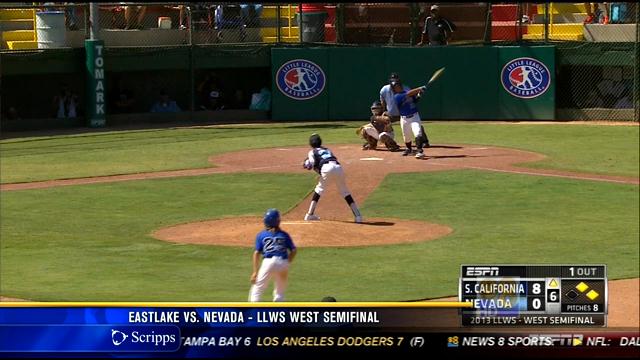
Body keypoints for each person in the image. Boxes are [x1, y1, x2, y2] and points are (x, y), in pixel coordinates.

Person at [303, 134, 363, 223]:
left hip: (326, 168)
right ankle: (358, 216)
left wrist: (306, 164)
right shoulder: (327, 149)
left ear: (311, 144)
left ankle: (309, 214)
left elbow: (311, 163)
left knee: (319, 190)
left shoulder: (312, 152)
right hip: (338, 167)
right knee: (345, 191)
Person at [248, 208, 297, 302]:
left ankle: (254, 313)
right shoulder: (284, 235)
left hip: (268, 262)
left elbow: (256, 253)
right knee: (280, 293)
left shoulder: (261, 235)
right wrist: (287, 262)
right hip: (283, 263)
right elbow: (293, 251)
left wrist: (255, 272)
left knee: (257, 290)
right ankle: (278, 315)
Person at [380, 73, 431, 149]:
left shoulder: (405, 88)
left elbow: (412, 99)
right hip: (391, 114)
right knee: (380, 122)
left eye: (396, 82)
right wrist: (383, 112)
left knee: (417, 126)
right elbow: (383, 101)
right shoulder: (384, 89)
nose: (395, 85)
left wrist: (419, 94)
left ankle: (424, 141)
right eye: (393, 83)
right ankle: (388, 142)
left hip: (404, 114)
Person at [392, 79, 429, 159]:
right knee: (406, 137)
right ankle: (409, 149)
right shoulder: (396, 97)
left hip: (414, 116)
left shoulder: (408, 92)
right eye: (395, 86)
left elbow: (415, 100)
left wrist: (419, 94)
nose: (397, 87)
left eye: (398, 85)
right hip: (404, 119)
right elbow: (408, 94)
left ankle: (419, 151)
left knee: (418, 132)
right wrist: (420, 88)